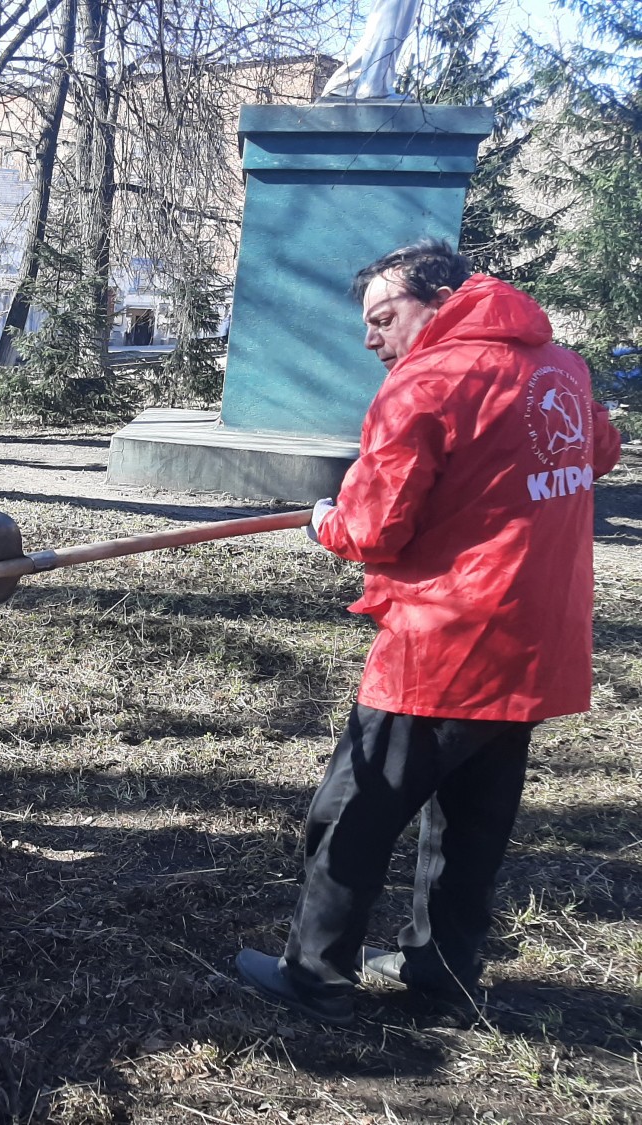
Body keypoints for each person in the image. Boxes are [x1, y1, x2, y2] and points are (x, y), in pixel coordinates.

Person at [235, 239, 623, 1025]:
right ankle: (443, 969)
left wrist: (326, 522)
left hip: (447, 639)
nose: (371, 339)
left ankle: (315, 974)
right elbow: (601, 451)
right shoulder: (562, 367)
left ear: (443, 300)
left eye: (383, 318)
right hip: (537, 640)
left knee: (355, 807)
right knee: (473, 814)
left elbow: (375, 527)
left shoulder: (427, 381)